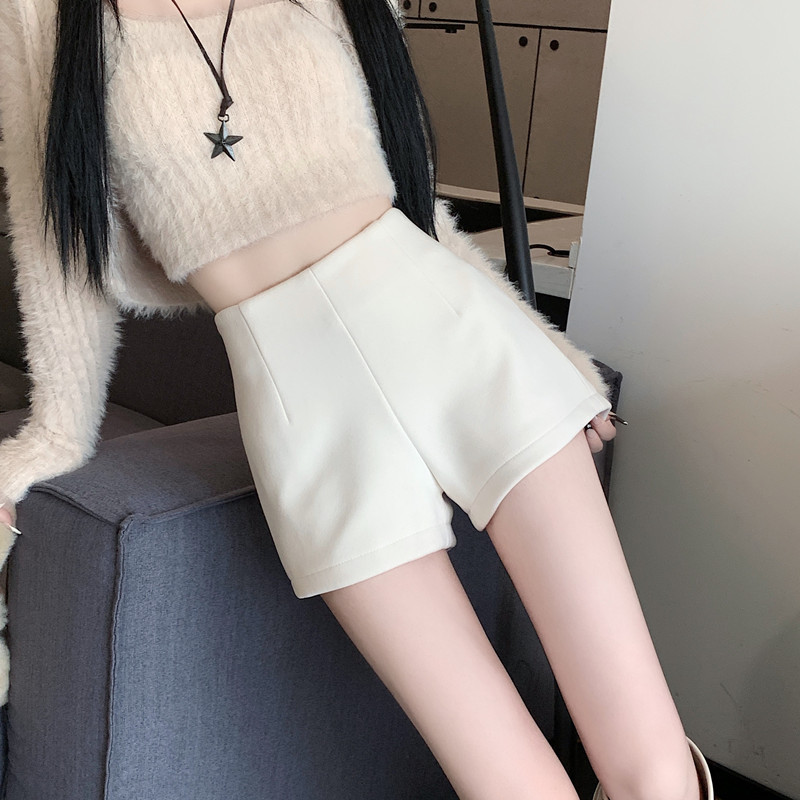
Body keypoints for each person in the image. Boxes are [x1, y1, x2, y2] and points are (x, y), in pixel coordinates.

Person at [0, 0, 713, 797]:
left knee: (650, 764)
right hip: (299, 401)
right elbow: (54, 245)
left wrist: (554, 352)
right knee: (509, 782)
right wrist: (55, 433)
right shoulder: (40, 15)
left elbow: (419, 204)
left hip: (456, 332)